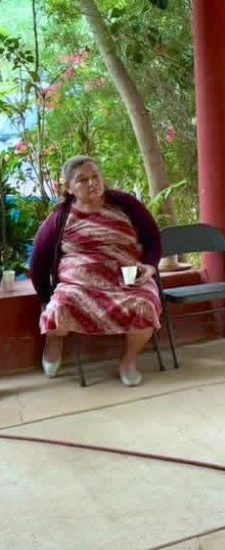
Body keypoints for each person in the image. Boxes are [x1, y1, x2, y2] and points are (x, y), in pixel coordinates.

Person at [30, 155, 162, 387]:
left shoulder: (125, 204)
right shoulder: (60, 216)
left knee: (145, 305)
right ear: (69, 188)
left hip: (127, 280)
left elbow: (153, 239)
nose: (92, 183)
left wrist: (150, 266)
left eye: (95, 176)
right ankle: (54, 341)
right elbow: (38, 262)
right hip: (78, 285)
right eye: (82, 180)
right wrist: (44, 298)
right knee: (58, 307)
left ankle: (128, 361)